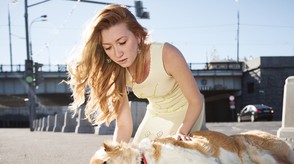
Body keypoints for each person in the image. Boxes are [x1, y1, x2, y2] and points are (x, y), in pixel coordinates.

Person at [67, 4, 205, 144]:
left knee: (165, 156)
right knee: (136, 157)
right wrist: (116, 153)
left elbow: (196, 100)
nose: (117, 53)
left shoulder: (167, 54)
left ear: (138, 36)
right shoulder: (116, 70)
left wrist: (182, 132)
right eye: (108, 48)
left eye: (122, 42)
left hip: (187, 113)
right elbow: (124, 125)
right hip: (155, 114)